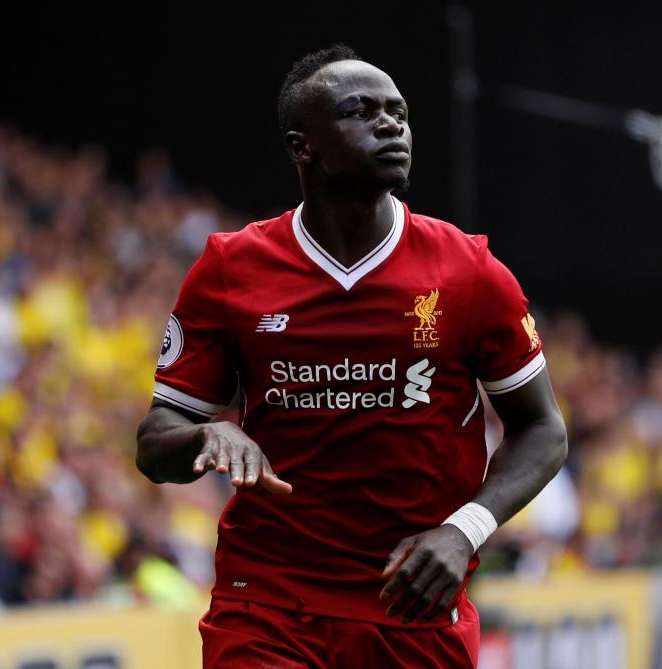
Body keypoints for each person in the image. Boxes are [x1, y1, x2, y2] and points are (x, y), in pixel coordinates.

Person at [136, 44, 568, 668]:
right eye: (359, 111)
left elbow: (543, 428)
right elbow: (155, 446)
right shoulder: (232, 268)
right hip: (270, 603)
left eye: (399, 112)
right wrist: (205, 435)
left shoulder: (468, 270)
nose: (390, 124)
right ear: (301, 146)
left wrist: (465, 530)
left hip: (414, 602)